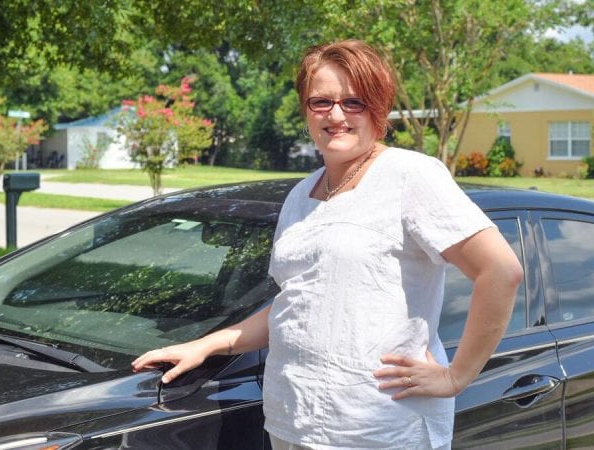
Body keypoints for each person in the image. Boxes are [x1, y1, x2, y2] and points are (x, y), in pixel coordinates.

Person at [132, 39, 523, 449]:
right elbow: (297, 303)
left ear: (379, 110)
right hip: (291, 421)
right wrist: (209, 344)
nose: (337, 115)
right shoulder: (301, 195)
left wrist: (456, 376)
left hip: (377, 430)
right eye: (322, 102)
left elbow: (500, 270)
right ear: (306, 110)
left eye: (355, 102)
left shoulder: (409, 175)